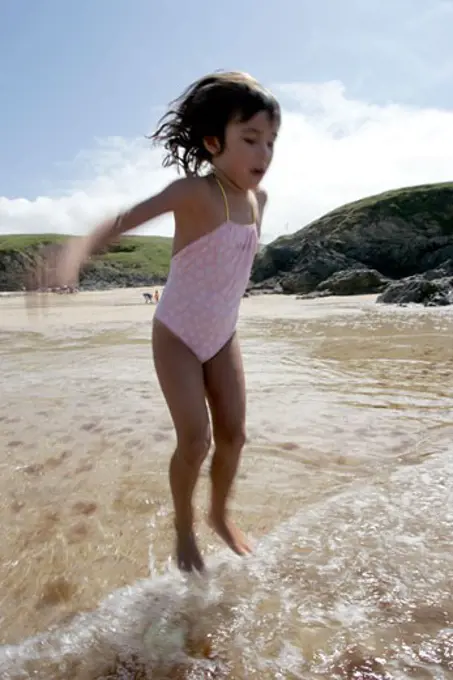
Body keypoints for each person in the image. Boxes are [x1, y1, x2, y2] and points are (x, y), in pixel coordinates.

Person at [34, 71, 281, 572]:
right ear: (214, 142)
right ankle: (184, 528)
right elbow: (127, 219)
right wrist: (74, 255)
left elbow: (235, 264)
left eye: (271, 142)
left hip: (221, 335)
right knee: (196, 438)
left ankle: (218, 514)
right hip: (177, 335)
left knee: (234, 435)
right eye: (250, 140)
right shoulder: (193, 193)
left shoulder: (261, 203)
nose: (263, 154)